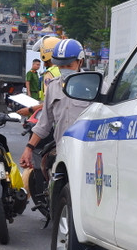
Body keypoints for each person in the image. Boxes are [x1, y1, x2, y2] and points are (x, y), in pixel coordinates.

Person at [17, 38, 88, 198]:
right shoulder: (54, 87)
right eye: (61, 66)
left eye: (68, 66)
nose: (64, 70)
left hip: (87, 155)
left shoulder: (94, 86)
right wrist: (28, 149)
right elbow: (44, 124)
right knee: (59, 198)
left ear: (80, 62)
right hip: (63, 153)